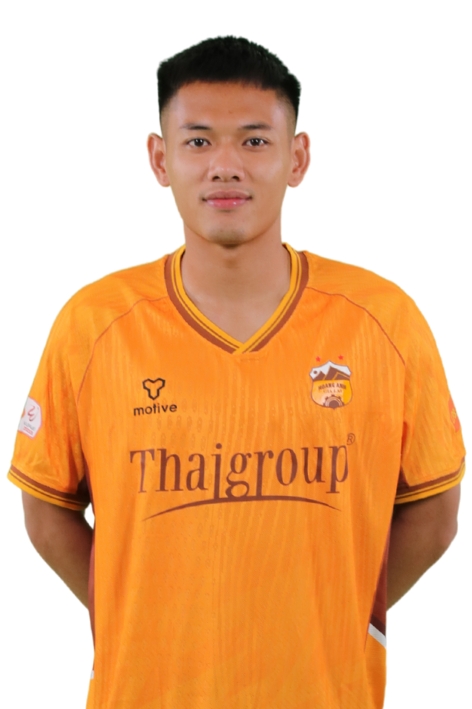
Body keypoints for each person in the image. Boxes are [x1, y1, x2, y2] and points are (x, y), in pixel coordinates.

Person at [8, 36, 465, 709]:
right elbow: (47, 508)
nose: (225, 166)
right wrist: (139, 614)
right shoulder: (93, 325)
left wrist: (339, 613)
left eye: (254, 141)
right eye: (198, 142)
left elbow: (436, 511)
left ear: (296, 157)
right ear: (160, 159)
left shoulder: (383, 321)